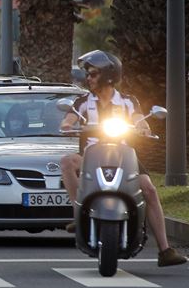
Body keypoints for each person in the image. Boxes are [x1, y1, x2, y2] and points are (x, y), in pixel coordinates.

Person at [60, 50, 186, 267]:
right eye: (88, 74)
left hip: (124, 155)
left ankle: (165, 250)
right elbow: (69, 119)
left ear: (108, 75)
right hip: (91, 155)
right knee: (67, 162)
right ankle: (78, 212)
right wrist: (67, 126)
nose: (88, 78)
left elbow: (140, 120)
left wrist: (144, 127)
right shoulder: (83, 102)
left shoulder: (128, 101)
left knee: (149, 188)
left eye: (92, 74)